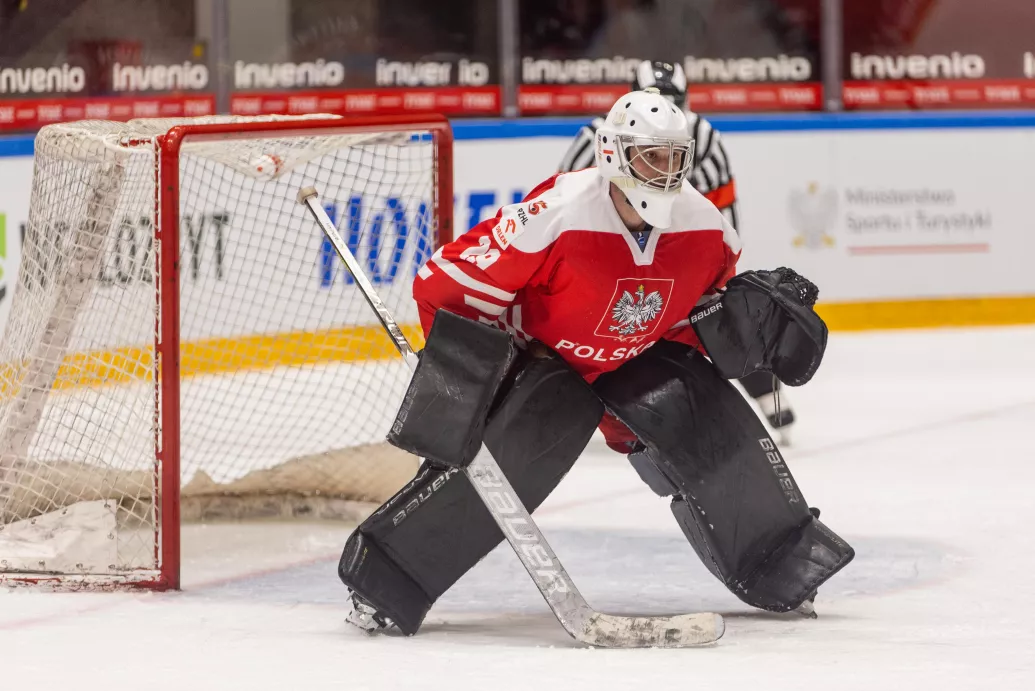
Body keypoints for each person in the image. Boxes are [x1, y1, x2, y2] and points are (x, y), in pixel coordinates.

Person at [338, 89, 852, 637]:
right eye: (650, 157)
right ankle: (386, 580)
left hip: (632, 362)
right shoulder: (557, 214)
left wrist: (735, 332)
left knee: (692, 402)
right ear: (613, 153)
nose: (665, 171)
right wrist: (466, 377)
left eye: (675, 157)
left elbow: (688, 315)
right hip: (543, 365)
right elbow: (446, 283)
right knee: (525, 438)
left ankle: (782, 560)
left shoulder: (707, 230)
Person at [559, 59, 796, 439]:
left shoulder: (704, 138)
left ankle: (768, 397)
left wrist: (712, 275)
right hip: (608, 255)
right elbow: (565, 203)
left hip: (675, 255)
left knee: (721, 316)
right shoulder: (597, 137)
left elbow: (722, 214)